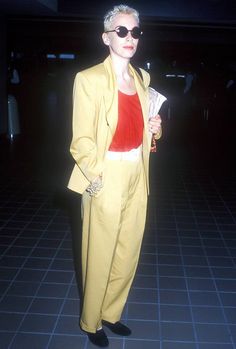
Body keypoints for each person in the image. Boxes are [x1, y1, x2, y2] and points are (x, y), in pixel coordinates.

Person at [68, 4, 164, 347]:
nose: (130, 38)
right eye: (121, 31)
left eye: (135, 31)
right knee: (100, 250)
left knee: (127, 250)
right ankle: (90, 322)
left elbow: (146, 133)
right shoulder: (88, 79)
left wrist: (155, 129)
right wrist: (96, 177)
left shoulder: (142, 79)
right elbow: (80, 140)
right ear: (106, 37)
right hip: (105, 173)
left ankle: (112, 312)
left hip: (137, 172)